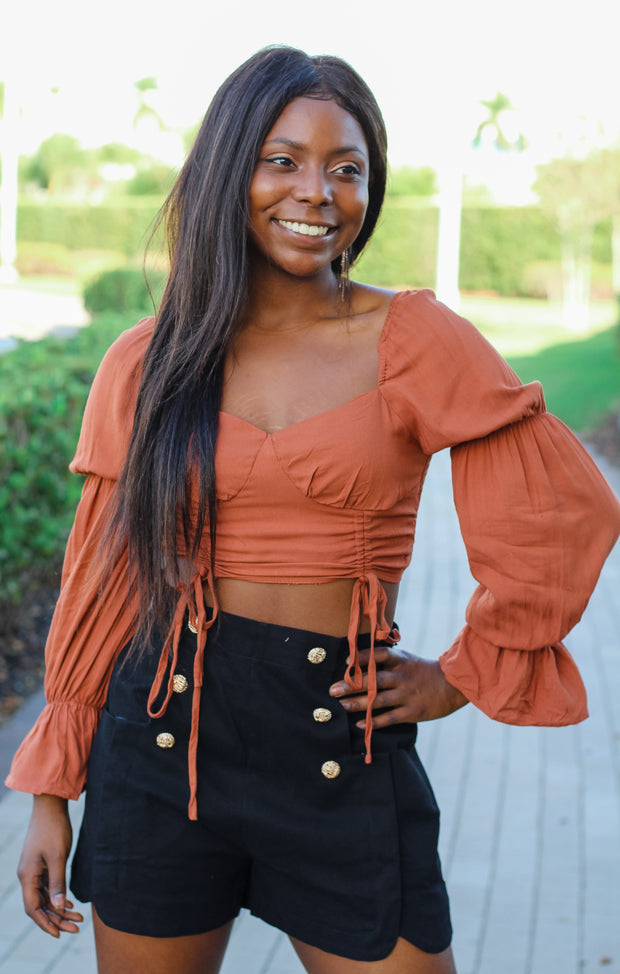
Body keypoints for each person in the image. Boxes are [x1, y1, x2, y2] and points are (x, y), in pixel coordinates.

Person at [6, 45, 620, 974]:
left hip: (342, 738)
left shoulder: (412, 338)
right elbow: (101, 577)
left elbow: (562, 508)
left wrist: (462, 672)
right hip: (160, 742)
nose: (317, 192)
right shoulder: (147, 358)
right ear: (230, 169)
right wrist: (51, 792)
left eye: (348, 169)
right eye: (283, 160)